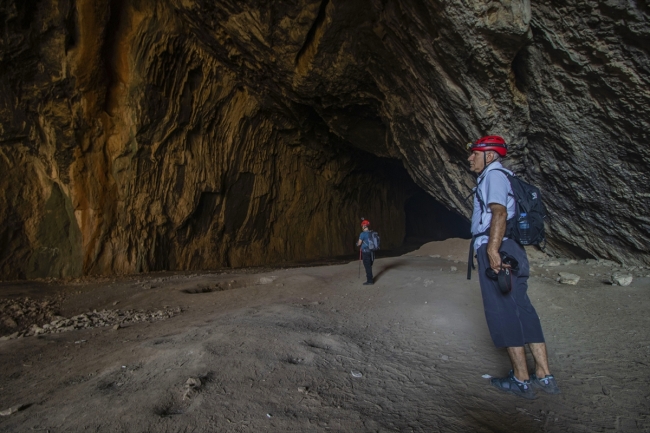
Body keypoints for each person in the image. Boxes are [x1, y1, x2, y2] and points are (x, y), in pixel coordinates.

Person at [467, 135, 560, 399]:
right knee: (522, 308)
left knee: (503, 310)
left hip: (498, 247)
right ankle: (544, 374)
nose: (470, 157)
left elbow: (499, 212)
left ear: (491, 155)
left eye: (475, 153)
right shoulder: (506, 176)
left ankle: (521, 379)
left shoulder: (493, 176)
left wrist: (492, 250)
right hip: (513, 248)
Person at [357, 219, 374, 285]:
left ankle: (370, 281)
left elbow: (359, 243)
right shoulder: (372, 233)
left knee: (367, 266)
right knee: (370, 265)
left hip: (365, 252)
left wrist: (357, 244)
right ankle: (370, 278)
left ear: (364, 226)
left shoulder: (362, 234)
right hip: (372, 251)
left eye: (362, 226)